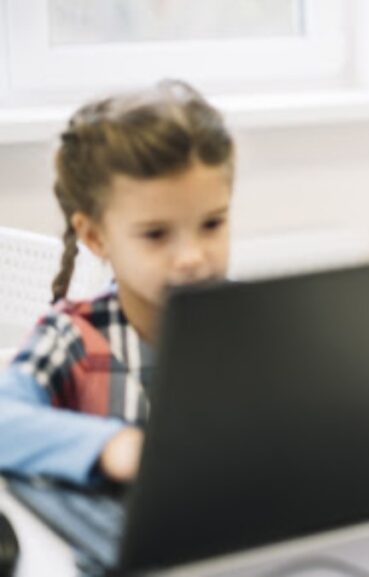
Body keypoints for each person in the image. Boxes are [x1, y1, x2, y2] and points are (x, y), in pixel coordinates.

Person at [0, 79, 234, 485]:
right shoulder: (74, 338)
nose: (193, 256)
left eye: (212, 224)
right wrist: (115, 446)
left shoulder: (252, 323)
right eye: (156, 235)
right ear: (95, 237)